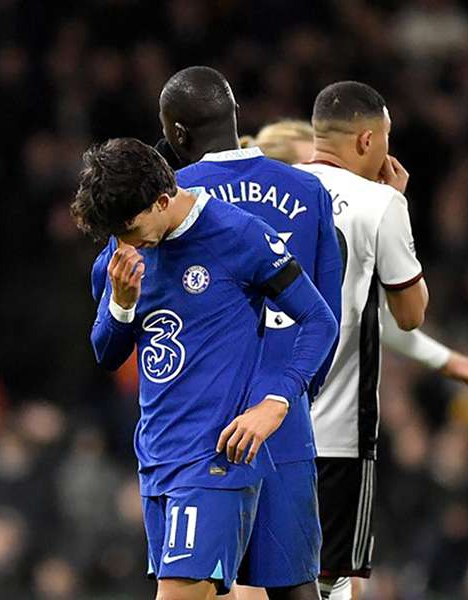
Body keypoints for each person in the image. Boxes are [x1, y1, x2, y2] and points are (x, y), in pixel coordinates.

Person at [73, 137, 338, 600]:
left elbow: (319, 320)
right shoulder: (123, 256)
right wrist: (121, 304)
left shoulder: (239, 236)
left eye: (130, 228)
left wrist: (276, 402)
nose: (124, 242)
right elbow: (106, 353)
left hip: (214, 458)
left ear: (161, 200)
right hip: (157, 457)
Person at [157, 65, 342, 600]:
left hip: (203, 428)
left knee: (198, 586)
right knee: (294, 587)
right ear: (236, 118)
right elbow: (324, 310)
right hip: (282, 416)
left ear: (176, 134)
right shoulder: (308, 191)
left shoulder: (174, 197)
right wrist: (294, 395)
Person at [250, 117, 468, 408]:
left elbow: (363, 315)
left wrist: (446, 360)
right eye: (312, 171)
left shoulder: (320, 239)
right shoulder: (267, 251)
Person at [294, 81, 430, 600]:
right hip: (338, 430)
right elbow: (411, 313)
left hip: (266, 420)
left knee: (258, 575)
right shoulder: (379, 203)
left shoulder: (275, 192)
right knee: (332, 580)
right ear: (368, 140)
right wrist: (395, 205)